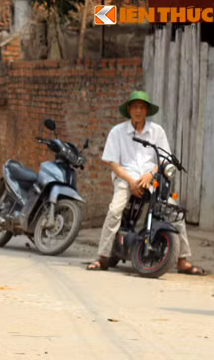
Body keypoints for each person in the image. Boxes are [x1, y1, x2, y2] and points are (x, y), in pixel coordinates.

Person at [87, 91, 206, 275]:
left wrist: (151, 174)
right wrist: (130, 181)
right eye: (135, 107)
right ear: (129, 109)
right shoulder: (117, 132)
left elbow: (165, 159)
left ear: (147, 110)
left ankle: (182, 260)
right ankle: (102, 257)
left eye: (142, 107)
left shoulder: (157, 132)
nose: (138, 111)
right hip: (125, 179)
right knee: (115, 210)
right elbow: (113, 163)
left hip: (151, 181)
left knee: (174, 212)